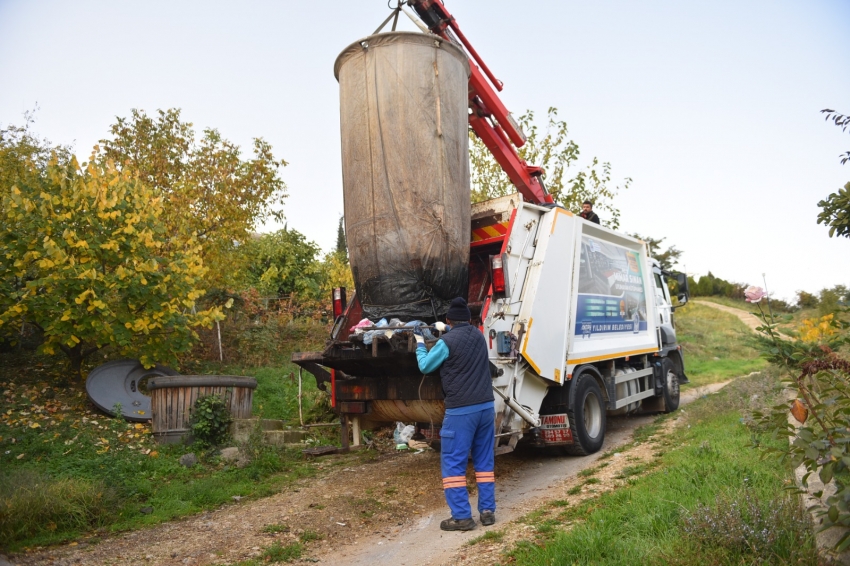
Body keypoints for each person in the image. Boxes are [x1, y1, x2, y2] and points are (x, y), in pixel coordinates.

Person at [414, 297, 496, 531]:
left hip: (461, 412)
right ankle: (488, 512)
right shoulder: (479, 336)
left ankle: (462, 517)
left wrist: (420, 343)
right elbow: (463, 336)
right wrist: (447, 330)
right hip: (485, 408)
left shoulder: (447, 342)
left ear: (448, 320)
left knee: (453, 464)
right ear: (469, 320)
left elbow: (426, 366)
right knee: (484, 461)